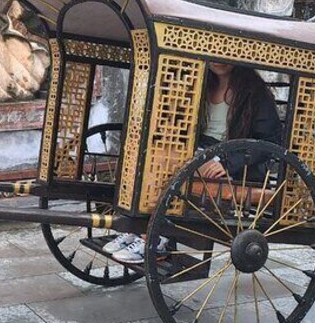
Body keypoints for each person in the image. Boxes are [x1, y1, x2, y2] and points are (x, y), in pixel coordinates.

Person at [106, 61, 282, 264]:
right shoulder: (200, 84)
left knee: (168, 166)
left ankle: (154, 239)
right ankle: (138, 227)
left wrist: (226, 162)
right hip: (200, 154)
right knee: (152, 157)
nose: (218, 61)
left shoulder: (255, 93)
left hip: (233, 166)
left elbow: (268, 142)